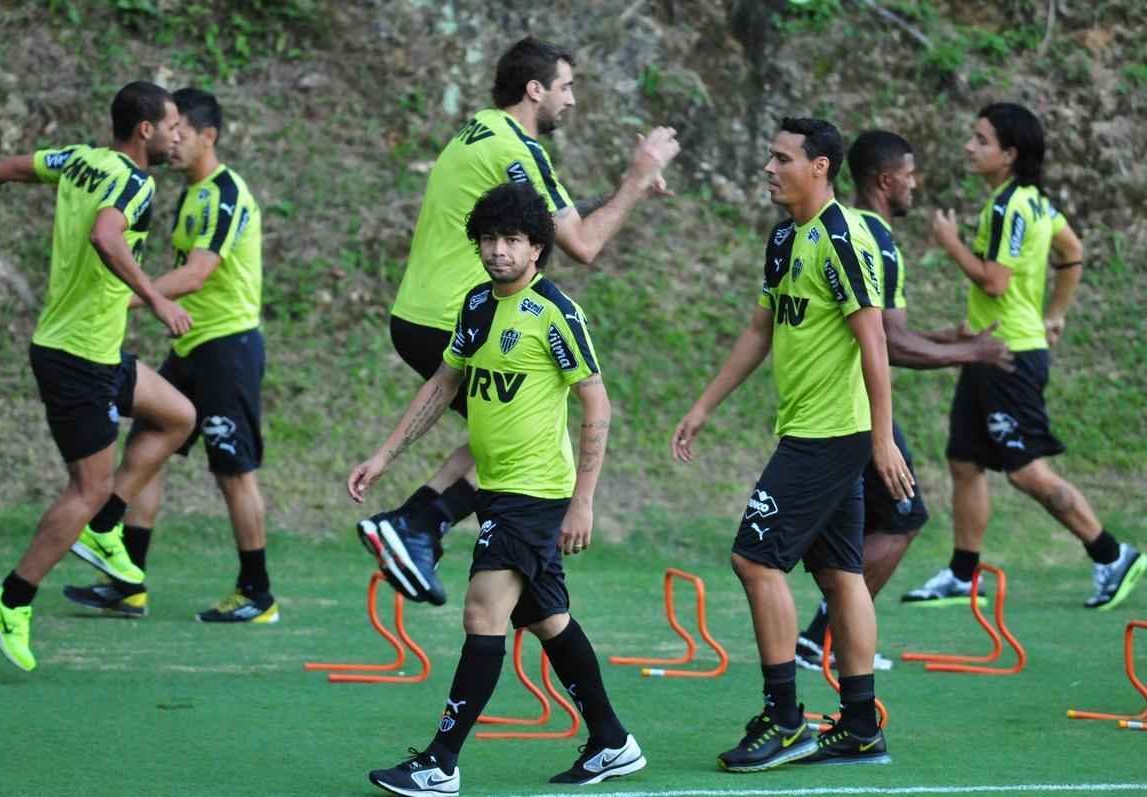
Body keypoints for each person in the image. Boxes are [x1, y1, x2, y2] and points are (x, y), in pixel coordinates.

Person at [357, 35, 680, 606]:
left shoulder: (481, 130)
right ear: (536, 89)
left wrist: (627, 194)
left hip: (419, 313)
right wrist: (635, 178)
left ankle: (417, 523)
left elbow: (545, 220)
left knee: (512, 434)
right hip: (460, 316)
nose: (572, 101)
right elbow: (579, 244)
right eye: (567, 87)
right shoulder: (519, 150)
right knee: (528, 441)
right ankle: (417, 526)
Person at [350, 183, 644, 796]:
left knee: (482, 614)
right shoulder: (478, 305)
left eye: (511, 239)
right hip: (494, 489)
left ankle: (440, 762)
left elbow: (597, 403)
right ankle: (613, 742)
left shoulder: (554, 313)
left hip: (532, 495)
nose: (498, 250)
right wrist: (383, 455)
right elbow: (443, 384)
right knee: (549, 620)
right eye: (488, 239)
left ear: (537, 247)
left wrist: (583, 500)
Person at [672, 117, 913, 770]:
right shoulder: (785, 240)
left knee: (755, 559)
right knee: (840, 574)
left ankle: (784, 718)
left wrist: (883, 440)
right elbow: (760, 329)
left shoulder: (840, 239)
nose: (769, 167)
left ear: (821, 167)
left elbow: (874, 343)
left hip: (830, 436)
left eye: (782, 158)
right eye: (768, 155)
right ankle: (861, 727)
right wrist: (703, 405)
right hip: (812, 430)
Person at [0, 81, 197, 671]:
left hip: (96, 352)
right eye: (171, 125)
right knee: (85, 487)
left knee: (179, 416)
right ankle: (11, 600)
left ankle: (104, 527)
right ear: (145, 130)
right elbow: (105, 236)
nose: (177, 135)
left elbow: (0, 171)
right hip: (77, 359)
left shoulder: (79, 159)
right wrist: (158, 300)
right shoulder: (135, 184)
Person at [903, 102, 1144, 609]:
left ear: (1009, 154)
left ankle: (1111, 554)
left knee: (1025, 470)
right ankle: (964, 574)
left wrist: (949, 243)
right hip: (987, 350)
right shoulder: (1036, 202)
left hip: (1006, 355)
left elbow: (995, 280)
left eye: (981, 140)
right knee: (965, 461)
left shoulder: (1009, 207)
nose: (970, 147)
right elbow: (1072, 250)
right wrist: (1055, 313)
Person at [795, 129, 1014, 671]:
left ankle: (824, 636)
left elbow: (886, 330)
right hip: (854, 409)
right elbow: (889, 343)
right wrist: (971, 355)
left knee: (875, 521)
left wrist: (952, 340)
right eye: (911, 175)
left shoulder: (855, 228)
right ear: (886, 181)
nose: (916, 184)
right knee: (904, 517)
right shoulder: (875, 238)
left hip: (832, 404)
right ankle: (823, 637)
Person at [62, 88, 275, 623]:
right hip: (192, 344)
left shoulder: (225, 194)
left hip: (227, 347)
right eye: (169, 131)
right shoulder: (190, 192)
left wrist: (130, 297)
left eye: (183, 133)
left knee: (233, 470)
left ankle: (258, 593)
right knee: (150, 445)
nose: (172, 141)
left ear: (209, 136)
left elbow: (198, 273)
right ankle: (127, 582)